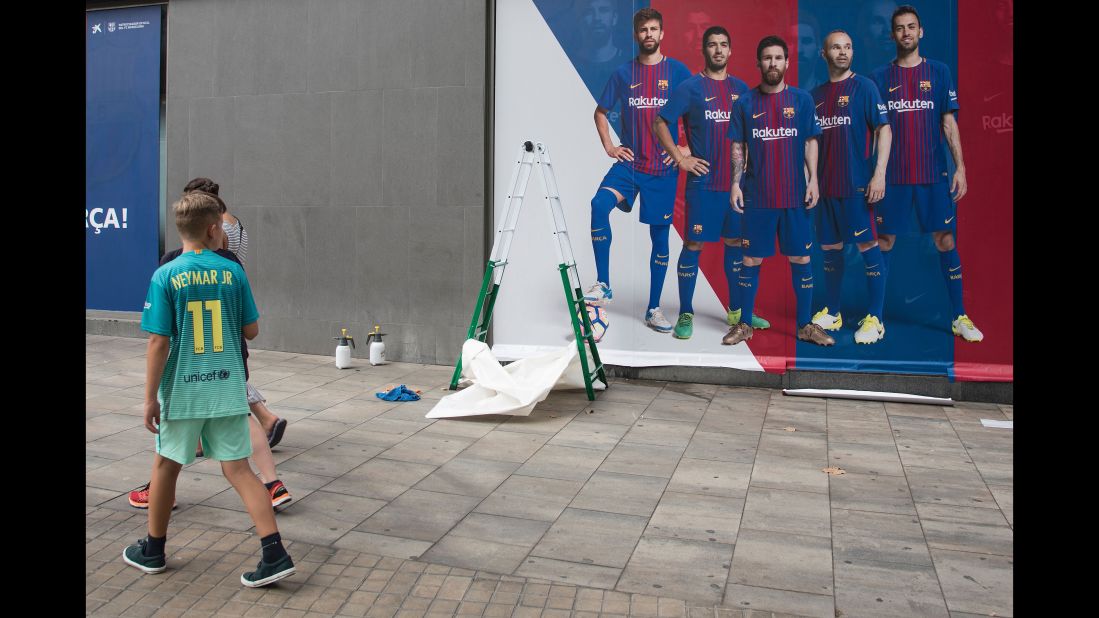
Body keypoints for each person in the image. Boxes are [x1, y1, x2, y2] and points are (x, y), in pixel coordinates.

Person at [123, 192, 295, 587]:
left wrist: (150, 397)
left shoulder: (165, 275)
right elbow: (251, 329)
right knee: (238, 469)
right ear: (214, 229)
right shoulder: (233, 273)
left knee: (167, 465)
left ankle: (153, 550)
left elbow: (157, 342)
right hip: (227, 386)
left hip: (182, 391)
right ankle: (274, 552)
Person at [869, 5, 983, 341]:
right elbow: (874, 131)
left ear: (921, 32)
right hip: (894, 178)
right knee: (884, 240)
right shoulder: (878, 78)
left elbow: (949, 123)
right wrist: (874, 174)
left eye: (911, 27)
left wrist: (960, 167)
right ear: (893, 35)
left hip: (933, 176)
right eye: (900, 28)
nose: (906, 33)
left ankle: (959, 316)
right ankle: (874, 318)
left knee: (945, 240)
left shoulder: (939, 72)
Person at [652, 25, 771, 339]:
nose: (718, 50)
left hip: (737, 186)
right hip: (703, 185)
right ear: (704, 51)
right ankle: (686, 313)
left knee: (735, 244)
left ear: (731, 51)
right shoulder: (690, 87)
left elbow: (751, 135)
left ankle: (737, 312)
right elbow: (660, 121)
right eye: (712, 45)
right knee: (694, 244)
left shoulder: (743, 89)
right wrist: (681, 158)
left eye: (723, 45)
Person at [585, 7, 692, 334]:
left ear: (662, 34)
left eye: (654, 29)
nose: (649, 34)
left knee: (659, 238)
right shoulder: (622, 74)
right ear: (636, 35)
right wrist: (609, 146)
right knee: (598, 205)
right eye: (643, 29)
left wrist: (685, 150)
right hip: (631, 165)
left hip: (662, 168)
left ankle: (653, 308)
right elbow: (600, 113)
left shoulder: (677, 72)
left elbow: (696, 113)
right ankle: (603, 283)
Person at [723, 35, 834, 347]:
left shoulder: (802, 101)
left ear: (787, 62)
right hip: (758, 197)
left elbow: (812, 140)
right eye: (767, 58)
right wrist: (734, 182)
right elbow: (738, 147)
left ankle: (804, 325)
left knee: (801, 258)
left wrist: (813, 180)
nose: (773, 63)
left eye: (778, 58)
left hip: (794, 196)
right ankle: (744, 324)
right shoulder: (745, 103)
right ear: (759, 63)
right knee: (750, 260)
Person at [809, 30, 892, 344]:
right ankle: (833, 311)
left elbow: (884, 129)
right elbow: (809, 144)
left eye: (848, 47)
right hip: (826, 190)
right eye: (836, 47)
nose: (843, 52)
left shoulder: (865, 87)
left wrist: (879, 174)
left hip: (857, 187)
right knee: (830, 249)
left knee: (868, 247)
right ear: (824, 54)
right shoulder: (815, 96)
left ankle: (876, 318)